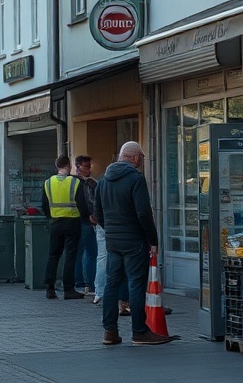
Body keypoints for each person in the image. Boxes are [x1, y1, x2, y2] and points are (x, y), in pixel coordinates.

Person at [94, 141, 173, 346]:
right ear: (136, 157)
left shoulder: (102, 181)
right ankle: (139, 331)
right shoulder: (135, 179)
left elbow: (98, 214)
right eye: (141, 158)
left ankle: (109, 331)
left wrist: (111, 230)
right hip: (134, 241)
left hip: (113, 241)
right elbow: (144, 213)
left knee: (112, 285)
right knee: (136, 285)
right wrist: (152, 240)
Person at [42, 155, 89, 300]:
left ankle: (50, 288)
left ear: (57, 166)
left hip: (56, 223)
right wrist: (87, 218)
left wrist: (52, 216)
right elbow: (82, 204)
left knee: (53, 254)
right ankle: (69, 289)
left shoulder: (48, 183)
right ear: (68, 165)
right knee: (70, 255)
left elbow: (44, 205)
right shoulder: (75, 182)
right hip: (72, 222)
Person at [73, 155, 98, 295]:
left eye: (90, 167)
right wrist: (91, 218)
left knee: (79, 253)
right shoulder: (80, 183)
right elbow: (85, 203)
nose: (89, 169)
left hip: (79, 221)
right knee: (90, 253)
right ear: (77, 167)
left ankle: (80, 282)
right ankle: (89, 284)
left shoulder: (92, 183)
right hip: (85, 222)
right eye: (86, 167)